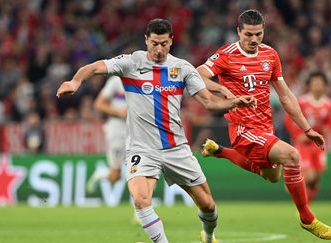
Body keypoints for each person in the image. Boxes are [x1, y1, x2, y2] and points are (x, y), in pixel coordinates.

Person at [56, 18, 257, 243]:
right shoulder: (131, 62)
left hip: (176, 147)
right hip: (142, 148)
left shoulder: (182, 68)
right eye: (154, 43)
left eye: (163, 43)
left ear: (171, 41)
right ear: (146, 41)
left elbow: (209, 102)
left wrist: (234, 102)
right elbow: (93, 67)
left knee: (208, 206)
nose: (159, 49)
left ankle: (208, 237)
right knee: (141, 200)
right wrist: (75, 82)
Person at [197, 9, 331, 240]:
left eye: (258, 35)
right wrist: (223, 90)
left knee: (272, 177)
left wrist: (307, 129)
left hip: (265, 127)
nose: (254, 40)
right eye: (248, 35)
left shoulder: (270, 55)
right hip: (243, 129)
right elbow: (199, 74)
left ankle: (219, 151)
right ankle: (307, 218)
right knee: (292, 156)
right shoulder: (226, 54)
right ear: (238, 32)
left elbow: (286, 96)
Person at [283, 71, 331, 204]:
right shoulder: (302, 102)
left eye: (320, 83)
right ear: (309, 86)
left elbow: (330, 123)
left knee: (316, 179)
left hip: (318, 145)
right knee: (310, 176)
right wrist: (298, 135)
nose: (317, 86)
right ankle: (291, 183)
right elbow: (289, 119)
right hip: (304, 145)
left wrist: (326, 130)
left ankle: (306, 207)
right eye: (315, 83)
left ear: (325, 86)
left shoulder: (329, 104)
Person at [86, 76, 127, 193]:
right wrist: (119, 112)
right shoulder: (117, 81)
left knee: (141, 170)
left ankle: (141, 209)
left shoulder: (144, 80)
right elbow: (98, 104)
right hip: (118, 129)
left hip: (136, 130)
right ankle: (100, 174)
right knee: (115, 176)